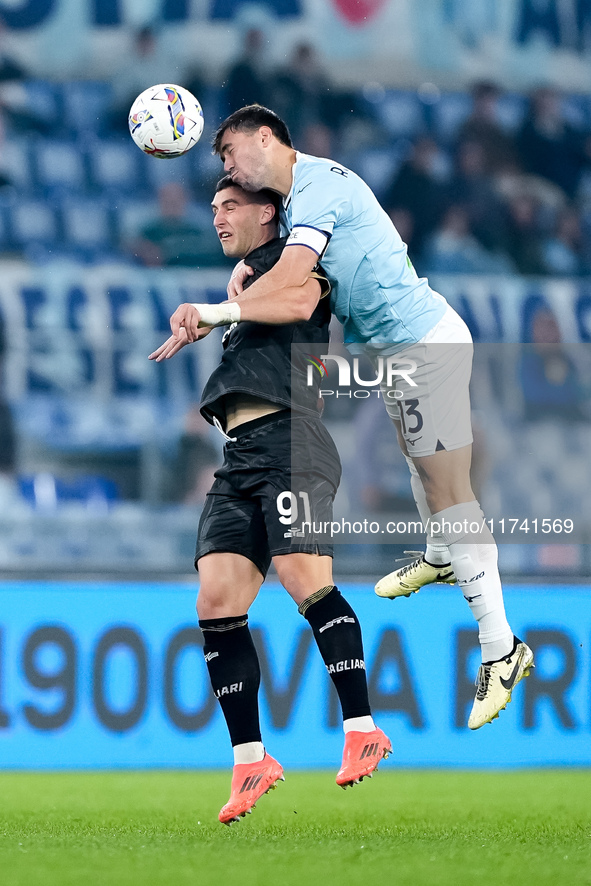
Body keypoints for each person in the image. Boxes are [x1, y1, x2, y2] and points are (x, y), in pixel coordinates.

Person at [166, 105, 534, 733]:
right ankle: (444, 555)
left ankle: (502, 648)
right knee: (426, 473)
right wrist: (244, 276)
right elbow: (285, 271)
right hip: (396, 350)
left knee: (449, 489)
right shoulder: (298, 201)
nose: (226, 168)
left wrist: (216, 309)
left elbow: (290, 278)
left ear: (264, 139)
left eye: (229, 153)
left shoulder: (318, 186)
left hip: (424, 343)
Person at [149, 176, 390, 824]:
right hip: (240, 456)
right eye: (212, 208)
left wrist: (223, 309)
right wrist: (227, 308)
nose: (218, 218)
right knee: (217, 600)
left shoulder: (294, 265)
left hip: (291, 441)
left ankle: (362, 725)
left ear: (267, 212)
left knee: (302, 577)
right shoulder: (251, 280)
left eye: (230, 206)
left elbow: (298, 299)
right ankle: (250, 758)